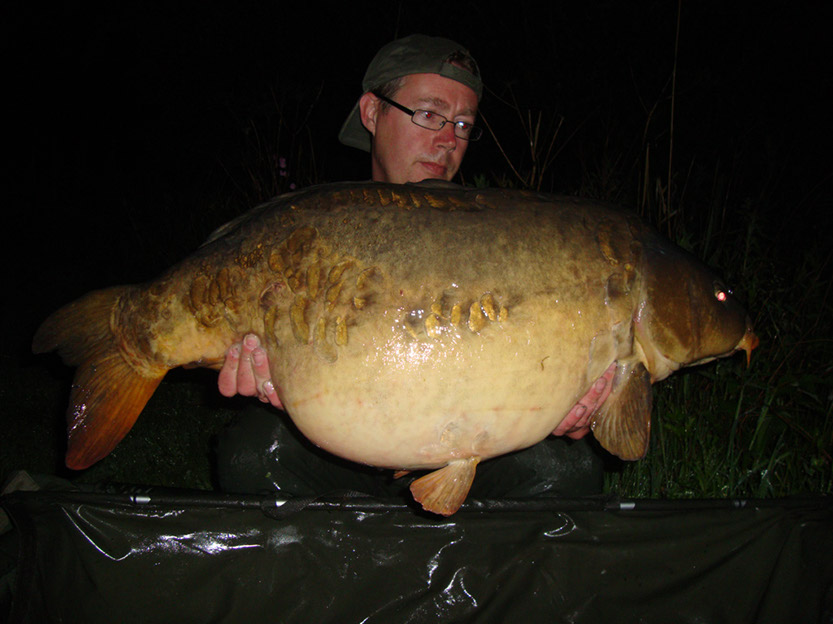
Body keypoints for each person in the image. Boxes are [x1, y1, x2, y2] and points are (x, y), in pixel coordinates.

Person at [214, 34, 615, 496]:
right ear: (371, 112)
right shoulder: (316, 229)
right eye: (428, 114)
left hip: (473, 449)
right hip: (337, 447)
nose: (448, 140)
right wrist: (268, 376)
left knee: (570, 470)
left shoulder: (507, 234)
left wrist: (568, 408)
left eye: (463, 124)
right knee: (251, 456)